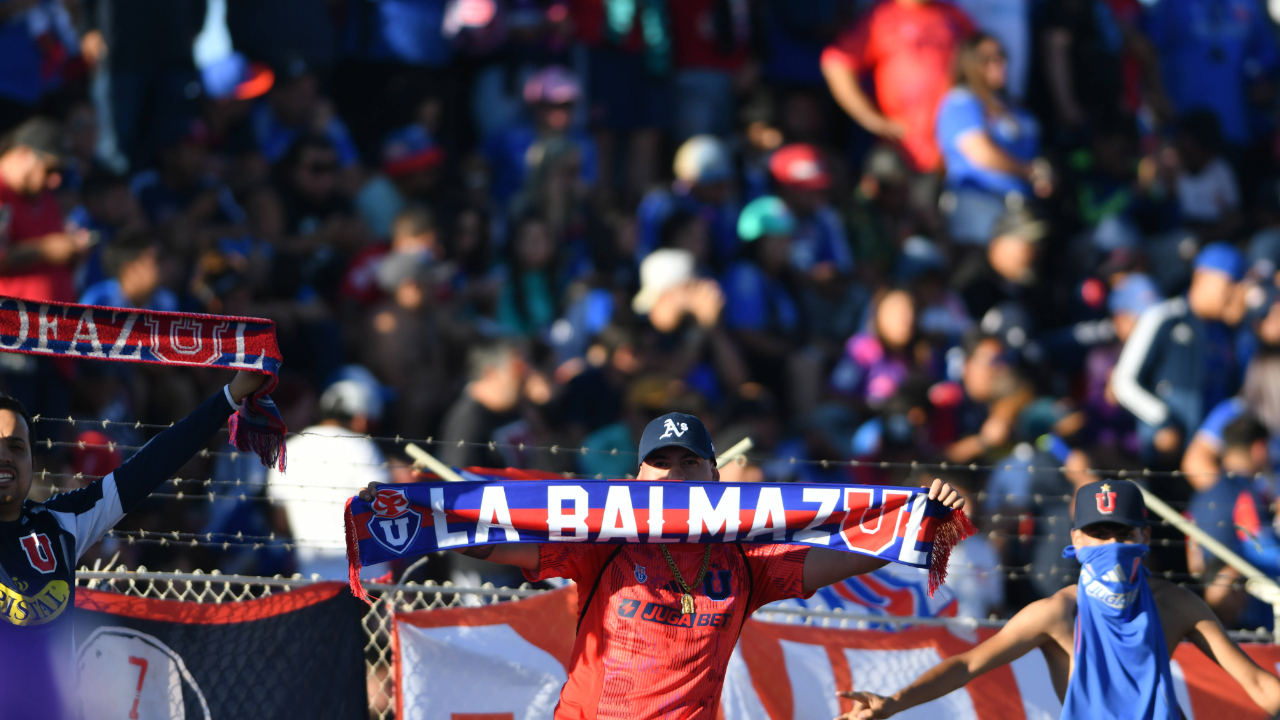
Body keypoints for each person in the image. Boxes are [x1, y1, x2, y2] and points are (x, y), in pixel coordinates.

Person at [359, 411, 967, 718]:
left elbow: (847, 551)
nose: (675, 475)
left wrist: (921, 519)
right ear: (637, 477)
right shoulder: (604, 540)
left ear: (716, 476)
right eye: (662, 462)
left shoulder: (745, 561)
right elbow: (497, 541)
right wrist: (430, 514)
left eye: (690, 463)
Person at [835, 479, 1280, 719]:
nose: (1112, 544)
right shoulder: (1057, 613)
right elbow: (968, 665)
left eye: (1123, 533)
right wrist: (892, 704)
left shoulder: (1176, 604)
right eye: (1099, 534)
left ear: (1145, 536)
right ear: (1075, 540)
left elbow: (1257, 684)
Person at [0, 370, 266, 720]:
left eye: (16, 447)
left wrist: (230, 396)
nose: (4, 457)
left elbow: (151, 465)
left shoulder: (60, 523)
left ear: (33, 462)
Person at [1112, 242, 1244, 463]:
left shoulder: (1227, 333)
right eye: (1229, 284)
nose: (1233, 295)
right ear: (1203, 277)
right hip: (1161, 456)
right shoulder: (1164, 316)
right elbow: (1123, 381)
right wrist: (1164, 421)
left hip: (1206, 459)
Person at [820, 0, 975, 174]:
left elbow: (979, 62)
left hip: (954, 147)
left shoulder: (954, 15)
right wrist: (871, 119)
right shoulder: (880, 17)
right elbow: (837, 62)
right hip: (903, 149)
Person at [267, 379, 389, 580]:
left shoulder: (288, 451)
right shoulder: (364, 449)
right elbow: (382, 510)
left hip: (312, 578)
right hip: (367, 579)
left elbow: (280, 522)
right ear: (361, 419)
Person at [935, 33, 1049, 246]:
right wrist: (1030, 171)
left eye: (1001, 56)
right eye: (987, 58)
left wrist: (1046, 175)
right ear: (969, 64)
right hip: (979, 204)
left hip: (1021, 207)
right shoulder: (961, 102)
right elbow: (980, 152)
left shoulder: (1016, 109)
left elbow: (1036, 157)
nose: (999, 63)